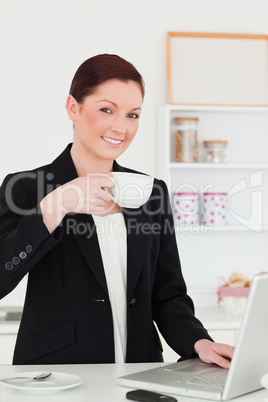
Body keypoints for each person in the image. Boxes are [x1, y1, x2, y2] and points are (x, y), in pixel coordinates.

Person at [0, 54, 233, 366]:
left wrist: (198, 342)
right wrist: (57, 205)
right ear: (73, 107)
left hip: (139, 366)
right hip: (56, 373)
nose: (120, 127)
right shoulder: (26, 187)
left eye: (132, 115)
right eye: (106, 109)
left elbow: (168, 294)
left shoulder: (151, 192)